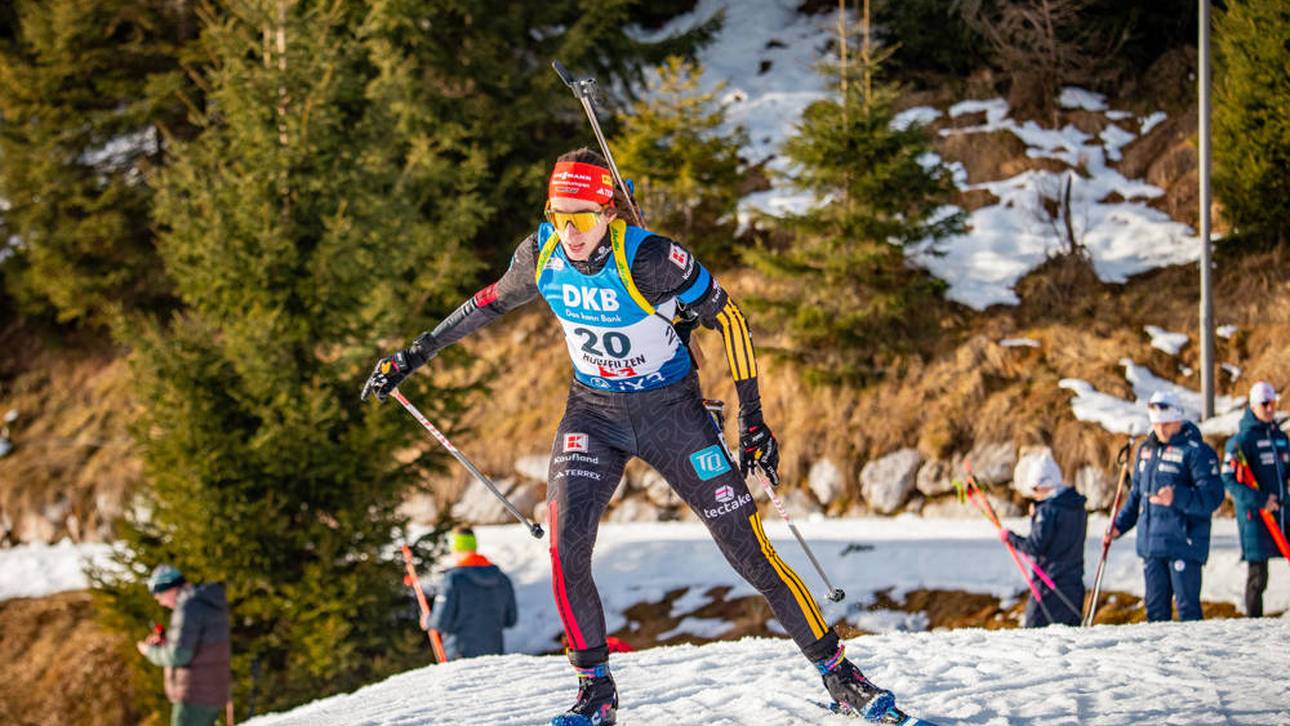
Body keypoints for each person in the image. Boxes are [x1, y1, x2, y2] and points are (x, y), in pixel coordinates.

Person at [362, 148, 902, 724]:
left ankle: (840, 676)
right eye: (558, 214)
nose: (569, 231)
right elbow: (486, 304)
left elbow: (732, 320)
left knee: (750, 552)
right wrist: (414, 353)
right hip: (592, 416)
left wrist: (753, 421)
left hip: (673, 415)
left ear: (609, 211)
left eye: (582, 217)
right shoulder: (541, 253)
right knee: (566, 545)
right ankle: (595, 692)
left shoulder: (651, 258)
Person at [1109, 391, 1224, 622]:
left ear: (1179, 419)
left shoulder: (1197, 452)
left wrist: (1177, 496)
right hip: (1152, 546)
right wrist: (1118, 526)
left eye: (1167, 424)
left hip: (1185, 543)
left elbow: (1212, 497)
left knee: (1187, 610)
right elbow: (1137, 496)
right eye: (1156, 424)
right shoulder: (1146, 451)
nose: (1161, 430)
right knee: (1155, 612)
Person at [1220, 381, 1289, 617]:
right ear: (1252, 405)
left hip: (1282, 512)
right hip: (1256, 517)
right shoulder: (1242, 440)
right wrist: (1261, 500)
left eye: (1273, 403)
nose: (1270, 409)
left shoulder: (1280, 436)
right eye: (1265, 404)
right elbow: (1229, 478)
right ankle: (1253, 624)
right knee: (1258, 575)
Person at [136, 565, 231, 726]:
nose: (161, 603)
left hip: (194, 695)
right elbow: (200, 646)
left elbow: (179, 655)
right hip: (212, 691)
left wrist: (150, 652)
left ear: (170, 589)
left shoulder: (188, 607)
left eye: (159, 596)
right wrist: (165, 643)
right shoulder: (204, 602)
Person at [999, 451, 1086, 627]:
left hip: (1050, 586)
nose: (1034, 495)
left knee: (1033, 633)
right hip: (1074, 585)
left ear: (1044, 485)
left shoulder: (1047, 511)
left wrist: (1010, 537)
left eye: (1035, 489)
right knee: (1070, 639)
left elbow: (1034, 546)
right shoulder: (1076, 506)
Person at [425, 526, 518, 659]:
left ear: (455, 547)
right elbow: (511, 620)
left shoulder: (453, 579)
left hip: (460, 655)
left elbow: (441, 622)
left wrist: (428, 621)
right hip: (495, 657)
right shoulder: (502, 579)